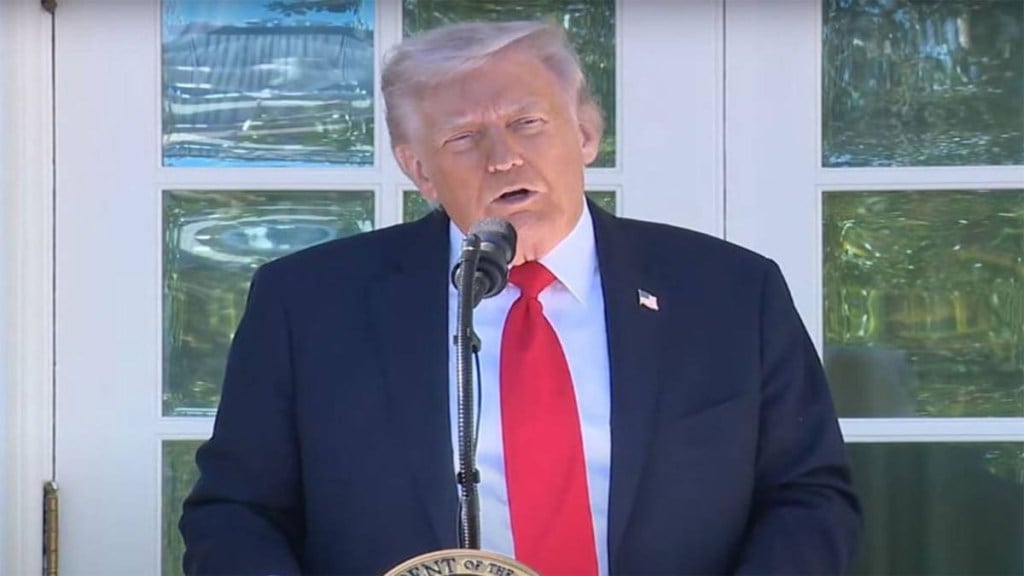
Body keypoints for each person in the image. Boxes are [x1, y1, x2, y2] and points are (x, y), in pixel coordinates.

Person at [180, 20, 861, 575]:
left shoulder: (729, 292)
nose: (503, 157)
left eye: (528, 122)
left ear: (585, 133)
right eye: (463, 137)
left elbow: (808, 497)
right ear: (419, 169)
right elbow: (236, 514)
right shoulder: (309, 303)